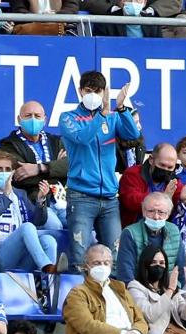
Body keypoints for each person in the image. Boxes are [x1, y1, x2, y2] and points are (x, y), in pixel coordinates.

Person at [60, 71, 140, 264]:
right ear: (80, 91)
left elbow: (132, 134)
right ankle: (80, 294)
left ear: (104, 92)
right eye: (88, 90)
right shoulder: (68, 118)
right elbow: (82, 138)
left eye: (98, 91)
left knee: (115, 256)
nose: (93, 95)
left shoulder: (112, 117)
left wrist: (121, 108)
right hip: (81, 197)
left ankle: (111, 293)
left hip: (110, 198)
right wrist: (101, 116)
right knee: (80, 257)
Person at [0, 151, 57, 273]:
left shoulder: (19, 194)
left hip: (20, 254)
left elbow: (37, 221)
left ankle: (48, 283)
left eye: (7, 169)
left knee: (48, 240)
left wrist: (40, 200)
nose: (4, 173)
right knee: (26, 228)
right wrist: (5, 196)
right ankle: (46, 266)